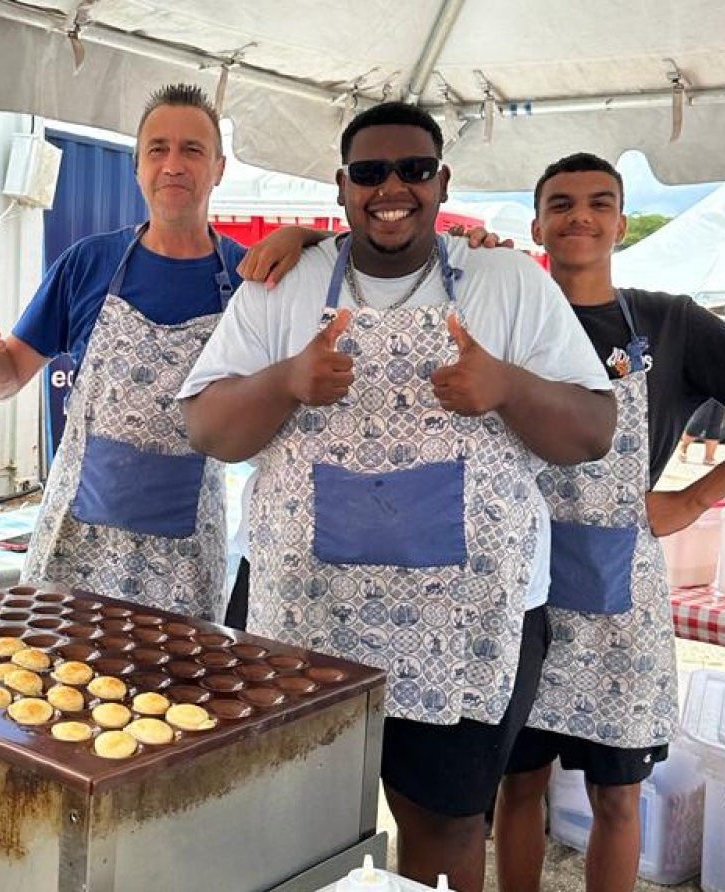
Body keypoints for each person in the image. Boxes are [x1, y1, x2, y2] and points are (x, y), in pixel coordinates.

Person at [178, 101, 617, 892]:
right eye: (371, 172)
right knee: (286, 814)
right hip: (302, 614)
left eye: (414, 170)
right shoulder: (286, 280)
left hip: (468, 618)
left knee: (446, 825)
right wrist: (286, 381)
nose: (394, 188)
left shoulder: (507, 281)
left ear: (441, 180)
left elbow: (592, 432)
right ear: (342, 186)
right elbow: (209, 429)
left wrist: (507, 385)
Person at [492, 153, 725, 892]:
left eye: (598, 202)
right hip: (518, 590)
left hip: (620, 595)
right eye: (561, 203)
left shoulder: (668, 321)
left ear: (619, 222)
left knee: (618, 796)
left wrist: (694, 498)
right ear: (537, 225)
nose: (579, 215)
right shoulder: (510, 314)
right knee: (516, 787)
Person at [0, 83, 322, 624]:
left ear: (218, 168)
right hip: (75, 543)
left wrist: (303, 234)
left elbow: (362, 260)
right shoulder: (88, 264)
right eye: (157, 149)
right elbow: (6, 377)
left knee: (176, 698)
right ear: (137, 166)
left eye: (192, 150)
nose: (173, 165)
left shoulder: (249, 280)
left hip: (186, 554)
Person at [676, 398, 725, 465]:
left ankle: (709, 458)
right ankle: (683, 447)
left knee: (716, 423)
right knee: (699, 421)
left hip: (724, 394)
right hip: (708, 392)